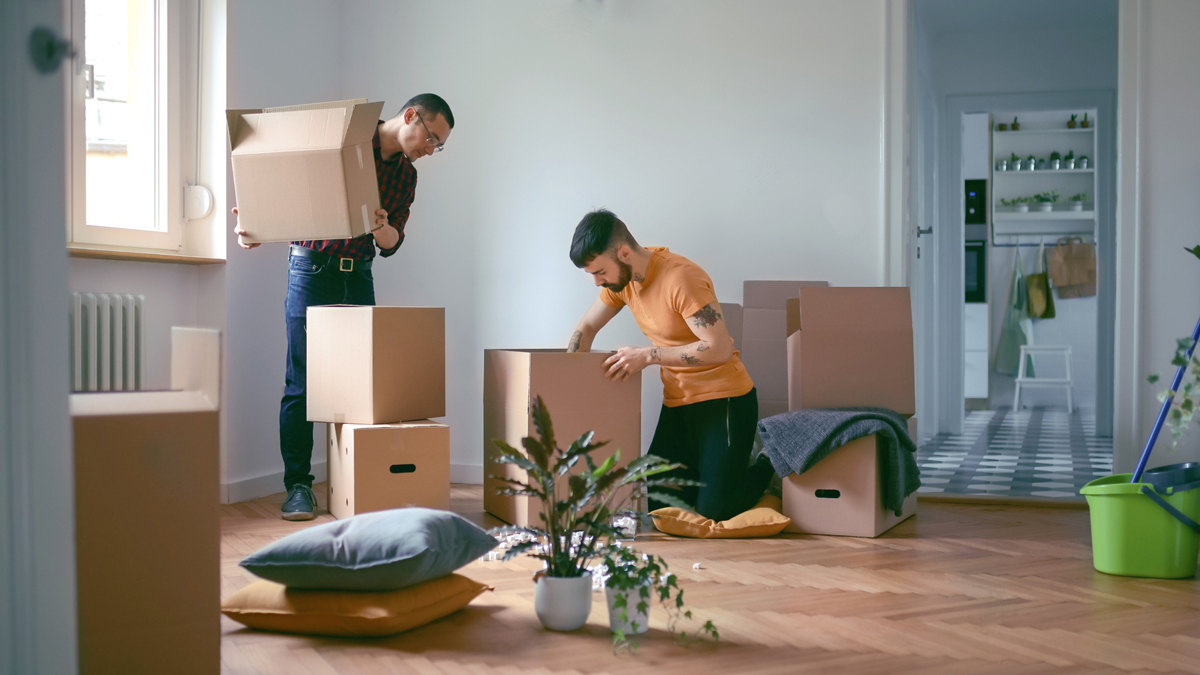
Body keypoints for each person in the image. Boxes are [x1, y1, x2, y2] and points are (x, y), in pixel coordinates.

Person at [233, 93, 454, 520]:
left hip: (360, 273)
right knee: (303, 383)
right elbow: (288, 189)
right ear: (410, 116)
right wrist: (254, 226)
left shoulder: (406, 177)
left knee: (361, 389)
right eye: (432, 138)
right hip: (311, 270)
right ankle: (298, 487)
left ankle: (356, 483)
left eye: (438, 145)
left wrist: (384, 227)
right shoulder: (344, 141)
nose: (431, 150)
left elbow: (392, 245)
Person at [566, 209, 773, 521]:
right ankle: (720, 470)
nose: (597, 282)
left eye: (599, 272)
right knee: (662, 507)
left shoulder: (681, 278)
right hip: (678, 404)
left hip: (725, 401)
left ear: (623, 253)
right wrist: (563, 382)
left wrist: (649, 355)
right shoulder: (622, 282)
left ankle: (766, 462)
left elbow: (717, 349)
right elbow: (586, 329)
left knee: (715, 511)